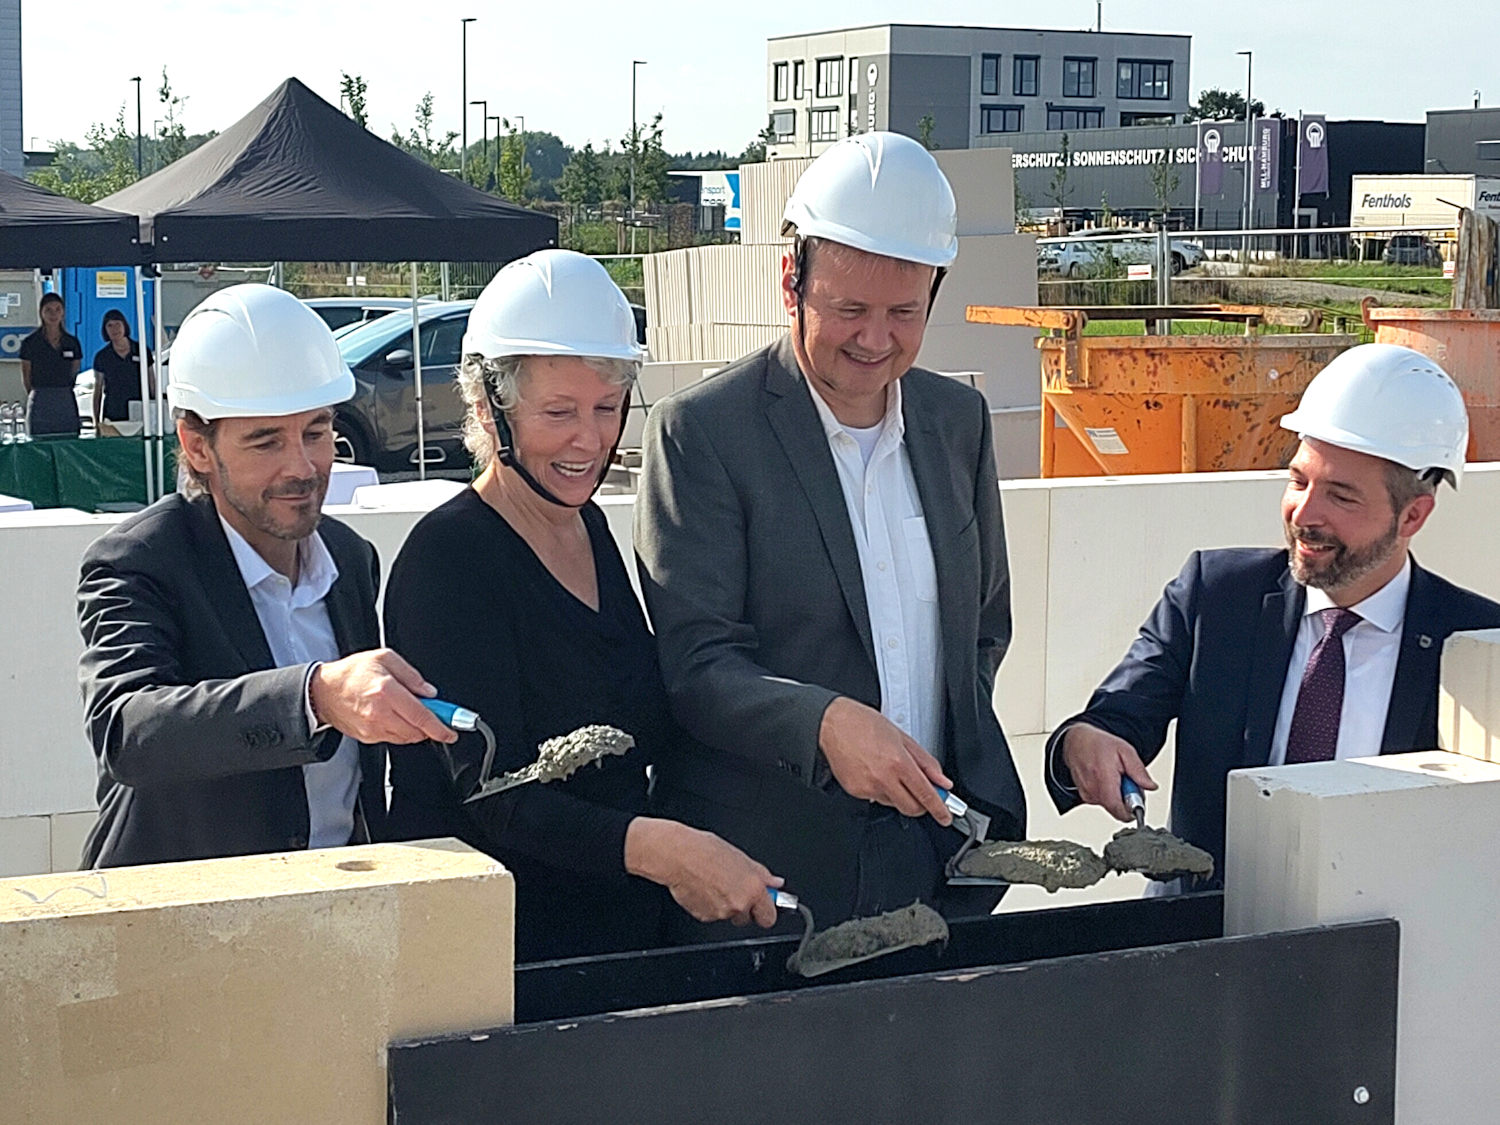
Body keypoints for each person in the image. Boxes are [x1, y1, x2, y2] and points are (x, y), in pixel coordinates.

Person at [634, 132, 1024, 935]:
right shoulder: (701, 433)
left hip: (939, 860)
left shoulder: (960, 423)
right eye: (849, 309)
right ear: (792, 282)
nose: (875, 339)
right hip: (770, 877)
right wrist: (824, 724)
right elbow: (697, 664)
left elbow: (984, 625)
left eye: (902, 313)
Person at [383, 250, 780, 962]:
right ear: (487, 407)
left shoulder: (588, 527)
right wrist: (662, 849)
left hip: (618, 938)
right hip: (502, 961)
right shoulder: (446, 561)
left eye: (606, 408)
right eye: (559, 412)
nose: (590, 440)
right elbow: (490, 793)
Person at [1045, 343, 1500, 886]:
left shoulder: (1475, 645)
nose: (1305, 514)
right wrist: (1086, 740)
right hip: (1204, 942)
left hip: (1379, 950)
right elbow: (1116, 718)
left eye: (1342, 497)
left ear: (1413, 516)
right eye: (1299, 480)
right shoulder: (1215, 596)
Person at [78, 284, 456, 869]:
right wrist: (313, 698)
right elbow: (129, 732)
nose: (302, 467)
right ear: (196, 446)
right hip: (183, 927)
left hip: (336, 912)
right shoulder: (140, 560)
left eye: (315, 431)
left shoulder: (350, 558)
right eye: (265, 441)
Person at [18, 293, 82, 437]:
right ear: (41, 313)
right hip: (41, 398)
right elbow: (26, 375)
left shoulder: (72, 342)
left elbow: (74, 370)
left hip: (65, 399)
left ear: (63, 312)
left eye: (57, 309)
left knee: (68, 443)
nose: (53, 314)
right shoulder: (30, 343)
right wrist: (37, 394)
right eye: (48, 310)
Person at [90, 308, 155, 434]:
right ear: (105, 330)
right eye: (110, 325)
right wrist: (96, 421)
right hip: (113, 411)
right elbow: (98, 389)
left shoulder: (141, 350)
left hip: (139, 410)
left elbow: (151, 382)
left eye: (118, 324)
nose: (114, 329)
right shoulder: (102, 356)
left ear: (124, 325)